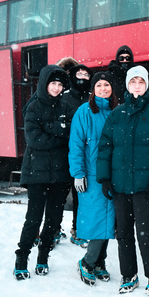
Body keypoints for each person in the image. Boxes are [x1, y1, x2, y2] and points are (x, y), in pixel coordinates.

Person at [96, 65, 149, 296]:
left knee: (146, 232)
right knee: (124, 233)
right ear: (128, 85)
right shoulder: (117, 114)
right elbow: (105, 147)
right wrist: (105, 178)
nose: (137, 86)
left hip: (144, 187)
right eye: (133, 81)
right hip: (119, 186)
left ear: (146, 85)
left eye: (141, 82)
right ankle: (128, 275)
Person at [13, 64, 74, 280]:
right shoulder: (33, 107)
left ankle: (43, 257)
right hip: (37, 174)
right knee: (34, 219)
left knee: (54, 220)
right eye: (53, 83)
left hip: (60, 175)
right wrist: (58, 134)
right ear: (44, 84)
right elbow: (33, 139)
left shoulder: (66, 108)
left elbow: (70, 137)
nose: (56, 88)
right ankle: (21, 259)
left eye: (60, 84)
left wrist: (50, 132)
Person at [68, 72, 118, 286]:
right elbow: (76, 145)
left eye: (107, 85)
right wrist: (78, 173)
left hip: (113, 175)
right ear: (93, 89)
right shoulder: (84, 111)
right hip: (92, 175)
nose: (104, 88)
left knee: (109, 219)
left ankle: (99, 262)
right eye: (99, 85)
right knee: (98, 219)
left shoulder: (117, 111)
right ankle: (87, 262)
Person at [60, 60, 94, 248]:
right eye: (78, 75)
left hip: (85, 155)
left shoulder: (92, 97)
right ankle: (55, 228)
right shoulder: (64, 97)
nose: (82, 78)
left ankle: (78, 229)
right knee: (60, 193)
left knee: (80, 193)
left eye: (86, 75)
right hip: (64, 152)